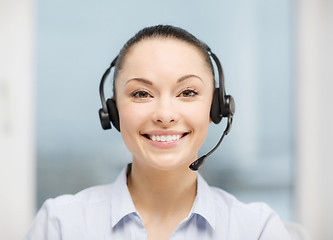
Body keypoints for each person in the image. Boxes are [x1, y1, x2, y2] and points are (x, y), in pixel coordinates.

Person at [24, 25, 291, 240]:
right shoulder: (59, 225)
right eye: (142, 93)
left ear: (216, 109)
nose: (165, 114)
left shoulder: (257, 229)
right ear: (113, 112)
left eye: (188, 92)